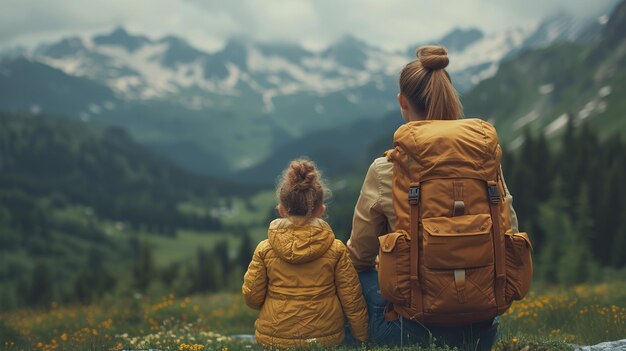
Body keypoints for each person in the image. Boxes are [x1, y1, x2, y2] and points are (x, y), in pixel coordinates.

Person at [346, 45, 519, 350]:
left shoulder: (387, 168)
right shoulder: (486, 159)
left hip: (412, 332)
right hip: (481, 330)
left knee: (351, 276)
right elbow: (511, 232)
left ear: (402, 102)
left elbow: (358, 255)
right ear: (449, 97)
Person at [242, 159, 368, 348]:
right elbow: (352, 300)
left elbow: (252, 298)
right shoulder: (336, 249)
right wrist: (362, 338)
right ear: (321, 210)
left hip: (274, 340)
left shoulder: (265, 250)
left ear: (281, 209)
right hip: (326, 340)